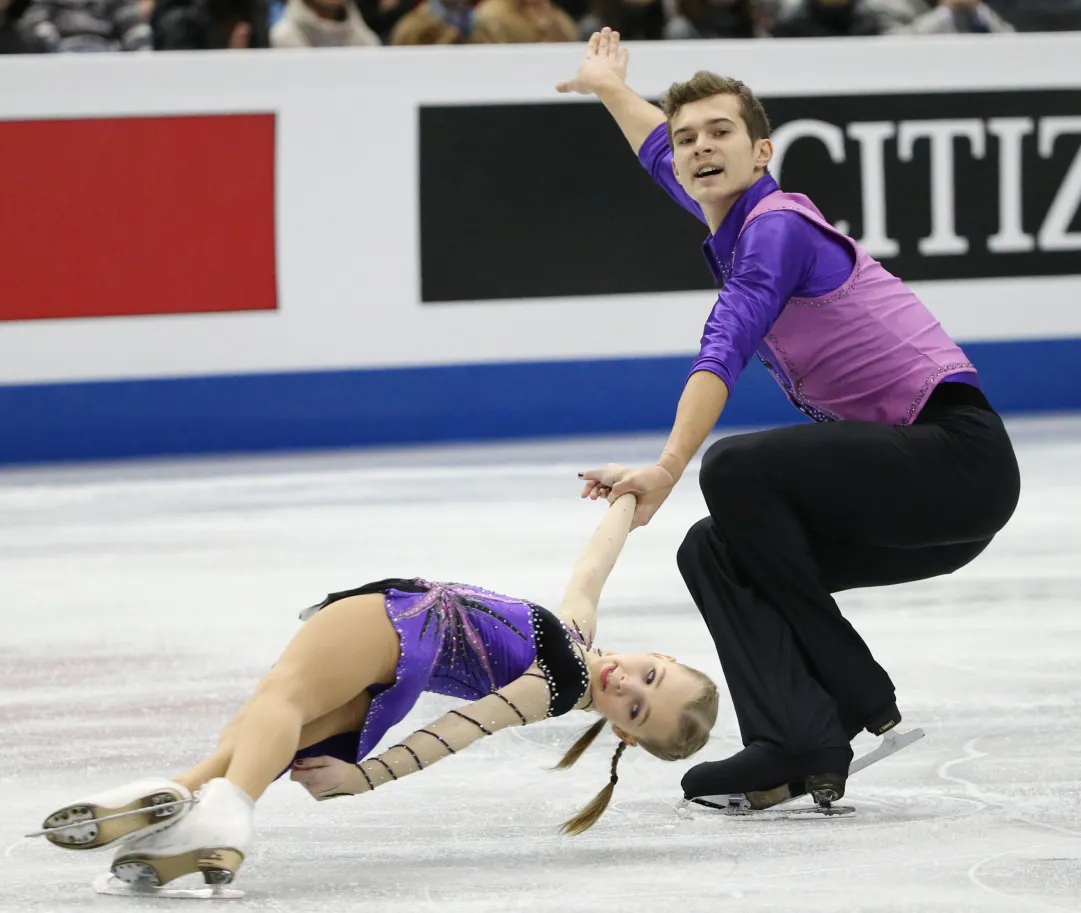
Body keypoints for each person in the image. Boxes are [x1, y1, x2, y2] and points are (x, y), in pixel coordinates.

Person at [557, 30, 1020, 810]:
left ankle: (853, 686)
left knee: (735, 472)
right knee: (716, 550)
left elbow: (724, 347)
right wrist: (608, 86)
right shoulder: (722, 200)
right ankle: (796, 738)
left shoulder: (775, 227)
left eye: (720, 133)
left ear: (761, 151)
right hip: (918, 498)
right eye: (688, 138)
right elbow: (653, 149)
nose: (699, 149)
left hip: (956, 462)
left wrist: (667, 467)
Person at [34, 492, 719, 889]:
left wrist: (363, 779)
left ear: (625, 732)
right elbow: (592, 564)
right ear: (656, 653)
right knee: (264, 734)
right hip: (396, 667)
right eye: (648, 675)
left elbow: (456, 731)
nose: (627, 682)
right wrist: (629, 493)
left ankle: (226, 813)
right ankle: (179, 809)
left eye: (635, 707)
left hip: (401, 625)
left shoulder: (549, 686)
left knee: (280, 698)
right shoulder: (574, 642)